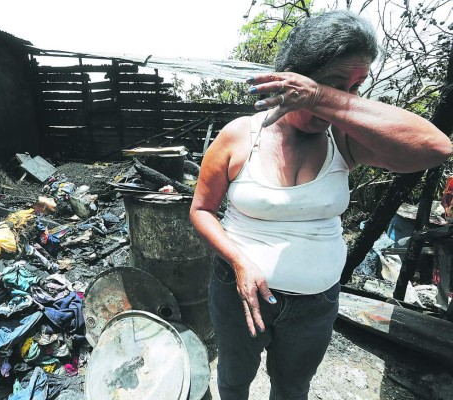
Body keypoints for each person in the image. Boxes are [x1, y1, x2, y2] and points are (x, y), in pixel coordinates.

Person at [190, 10, 452, 400]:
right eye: (333, 82)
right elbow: (202, 210)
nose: (345, 99)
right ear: (289, 78)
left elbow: (436, 147)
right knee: (234, 379)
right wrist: (240, 262)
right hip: (239, 294)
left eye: (355, 87)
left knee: (293, 388)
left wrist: (323, 95)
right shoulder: (239, 136)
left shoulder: (344, 141)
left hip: (316, 305)